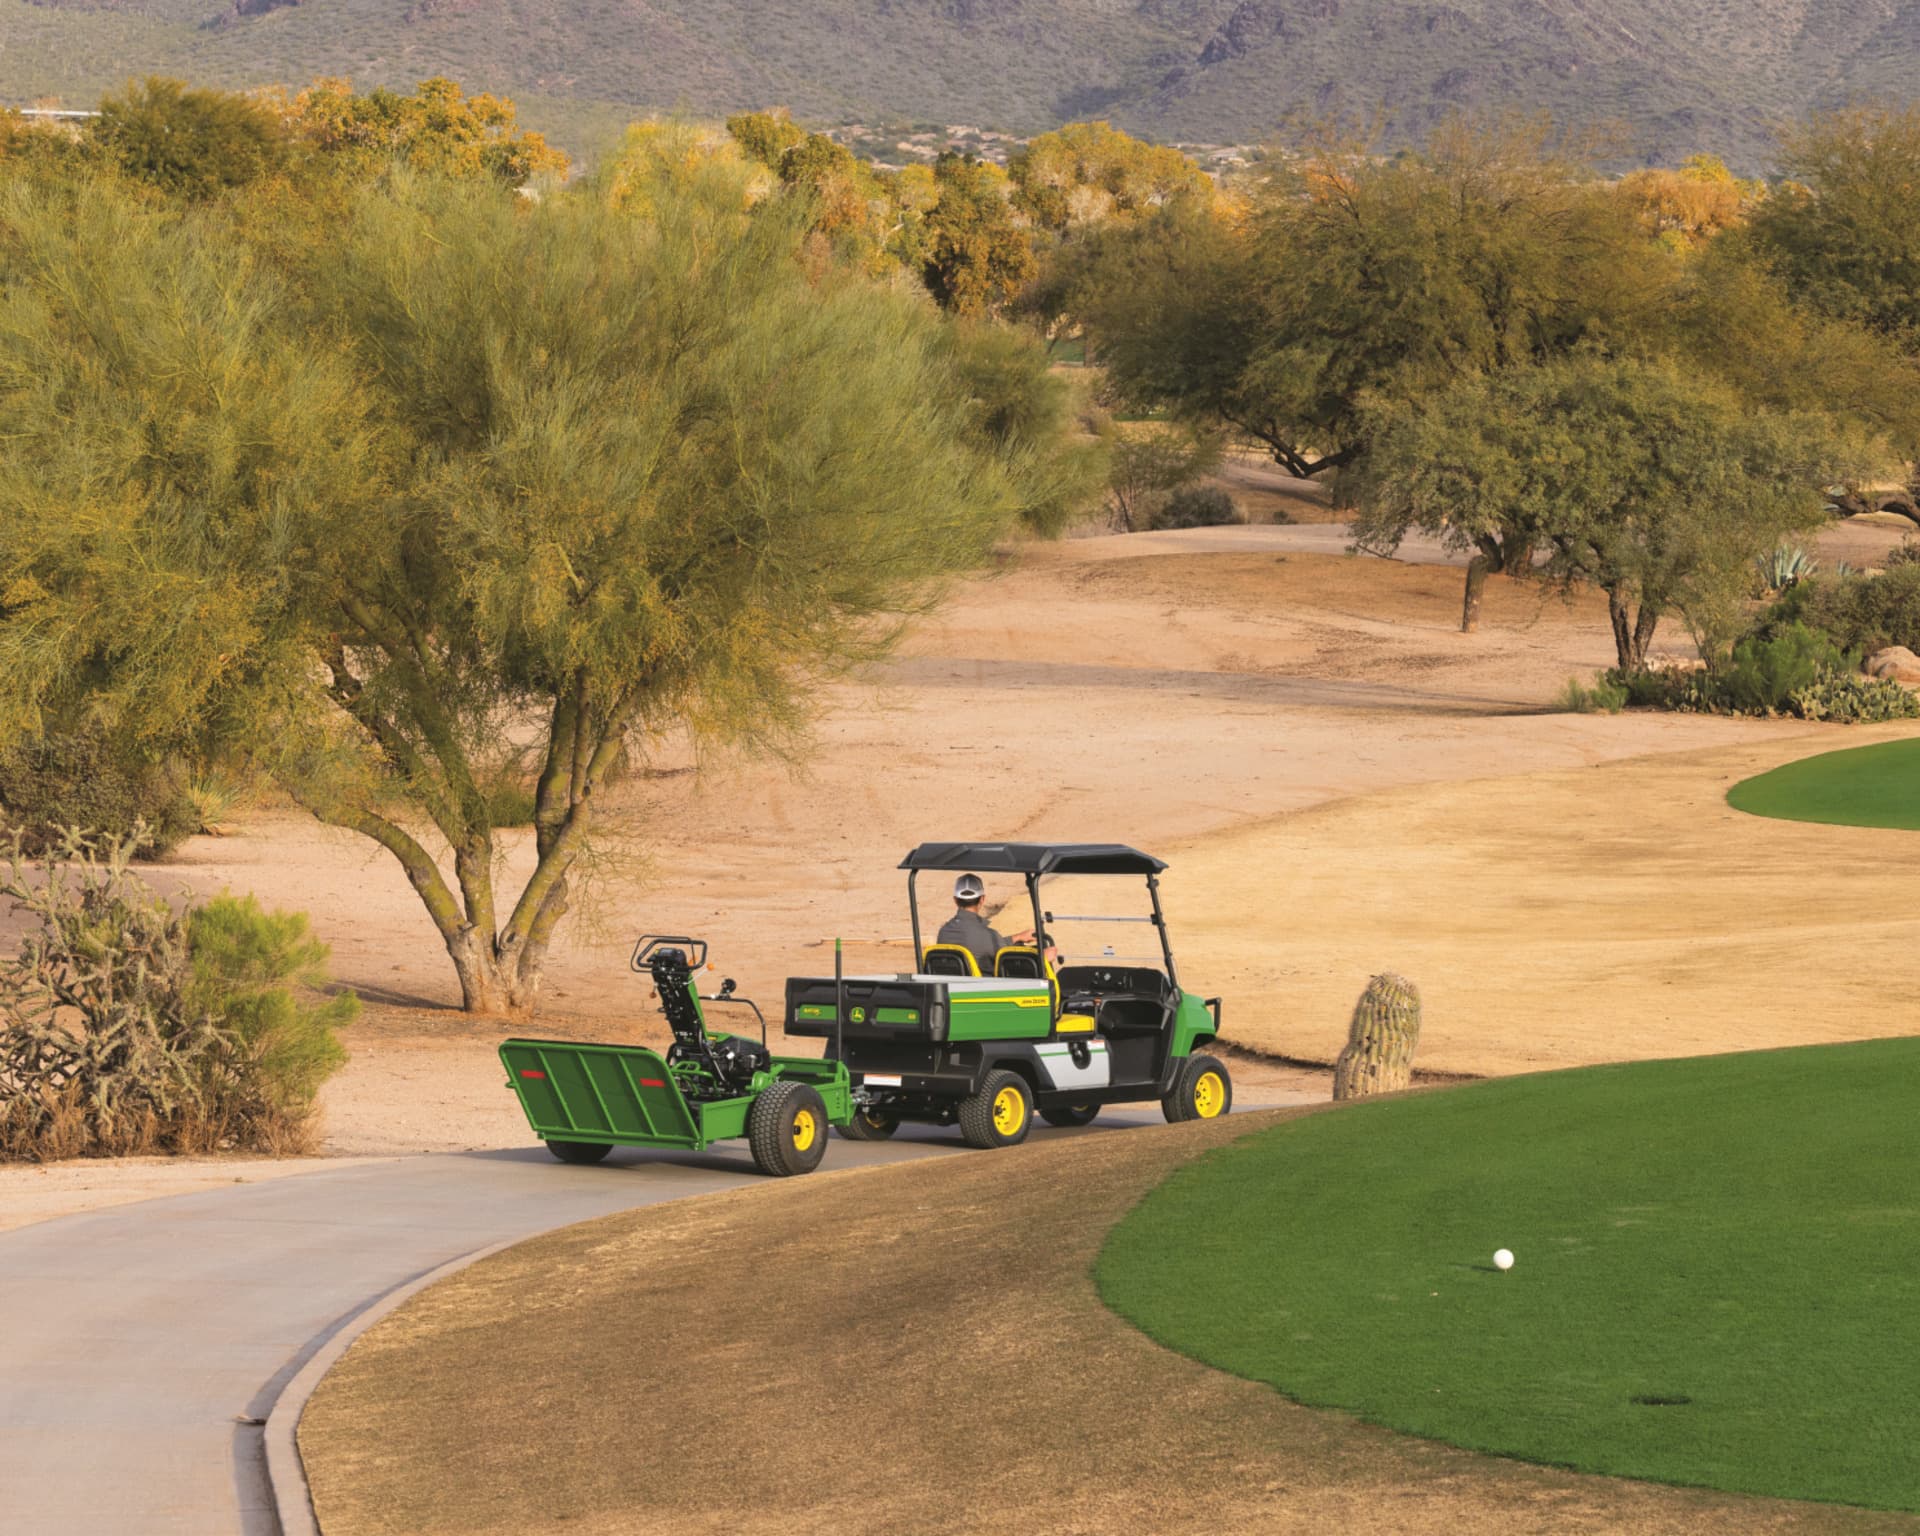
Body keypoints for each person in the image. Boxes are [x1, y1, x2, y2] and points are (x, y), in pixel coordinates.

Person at [936, 873, 1039, 974]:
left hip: (952, 988)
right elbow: (1010, 959)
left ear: (955, 900)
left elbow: (985, 944)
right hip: (984, 988)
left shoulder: (943, 932)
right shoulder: (988, 935)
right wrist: (1042, 958)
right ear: (982, 899)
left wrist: (1017, 937)